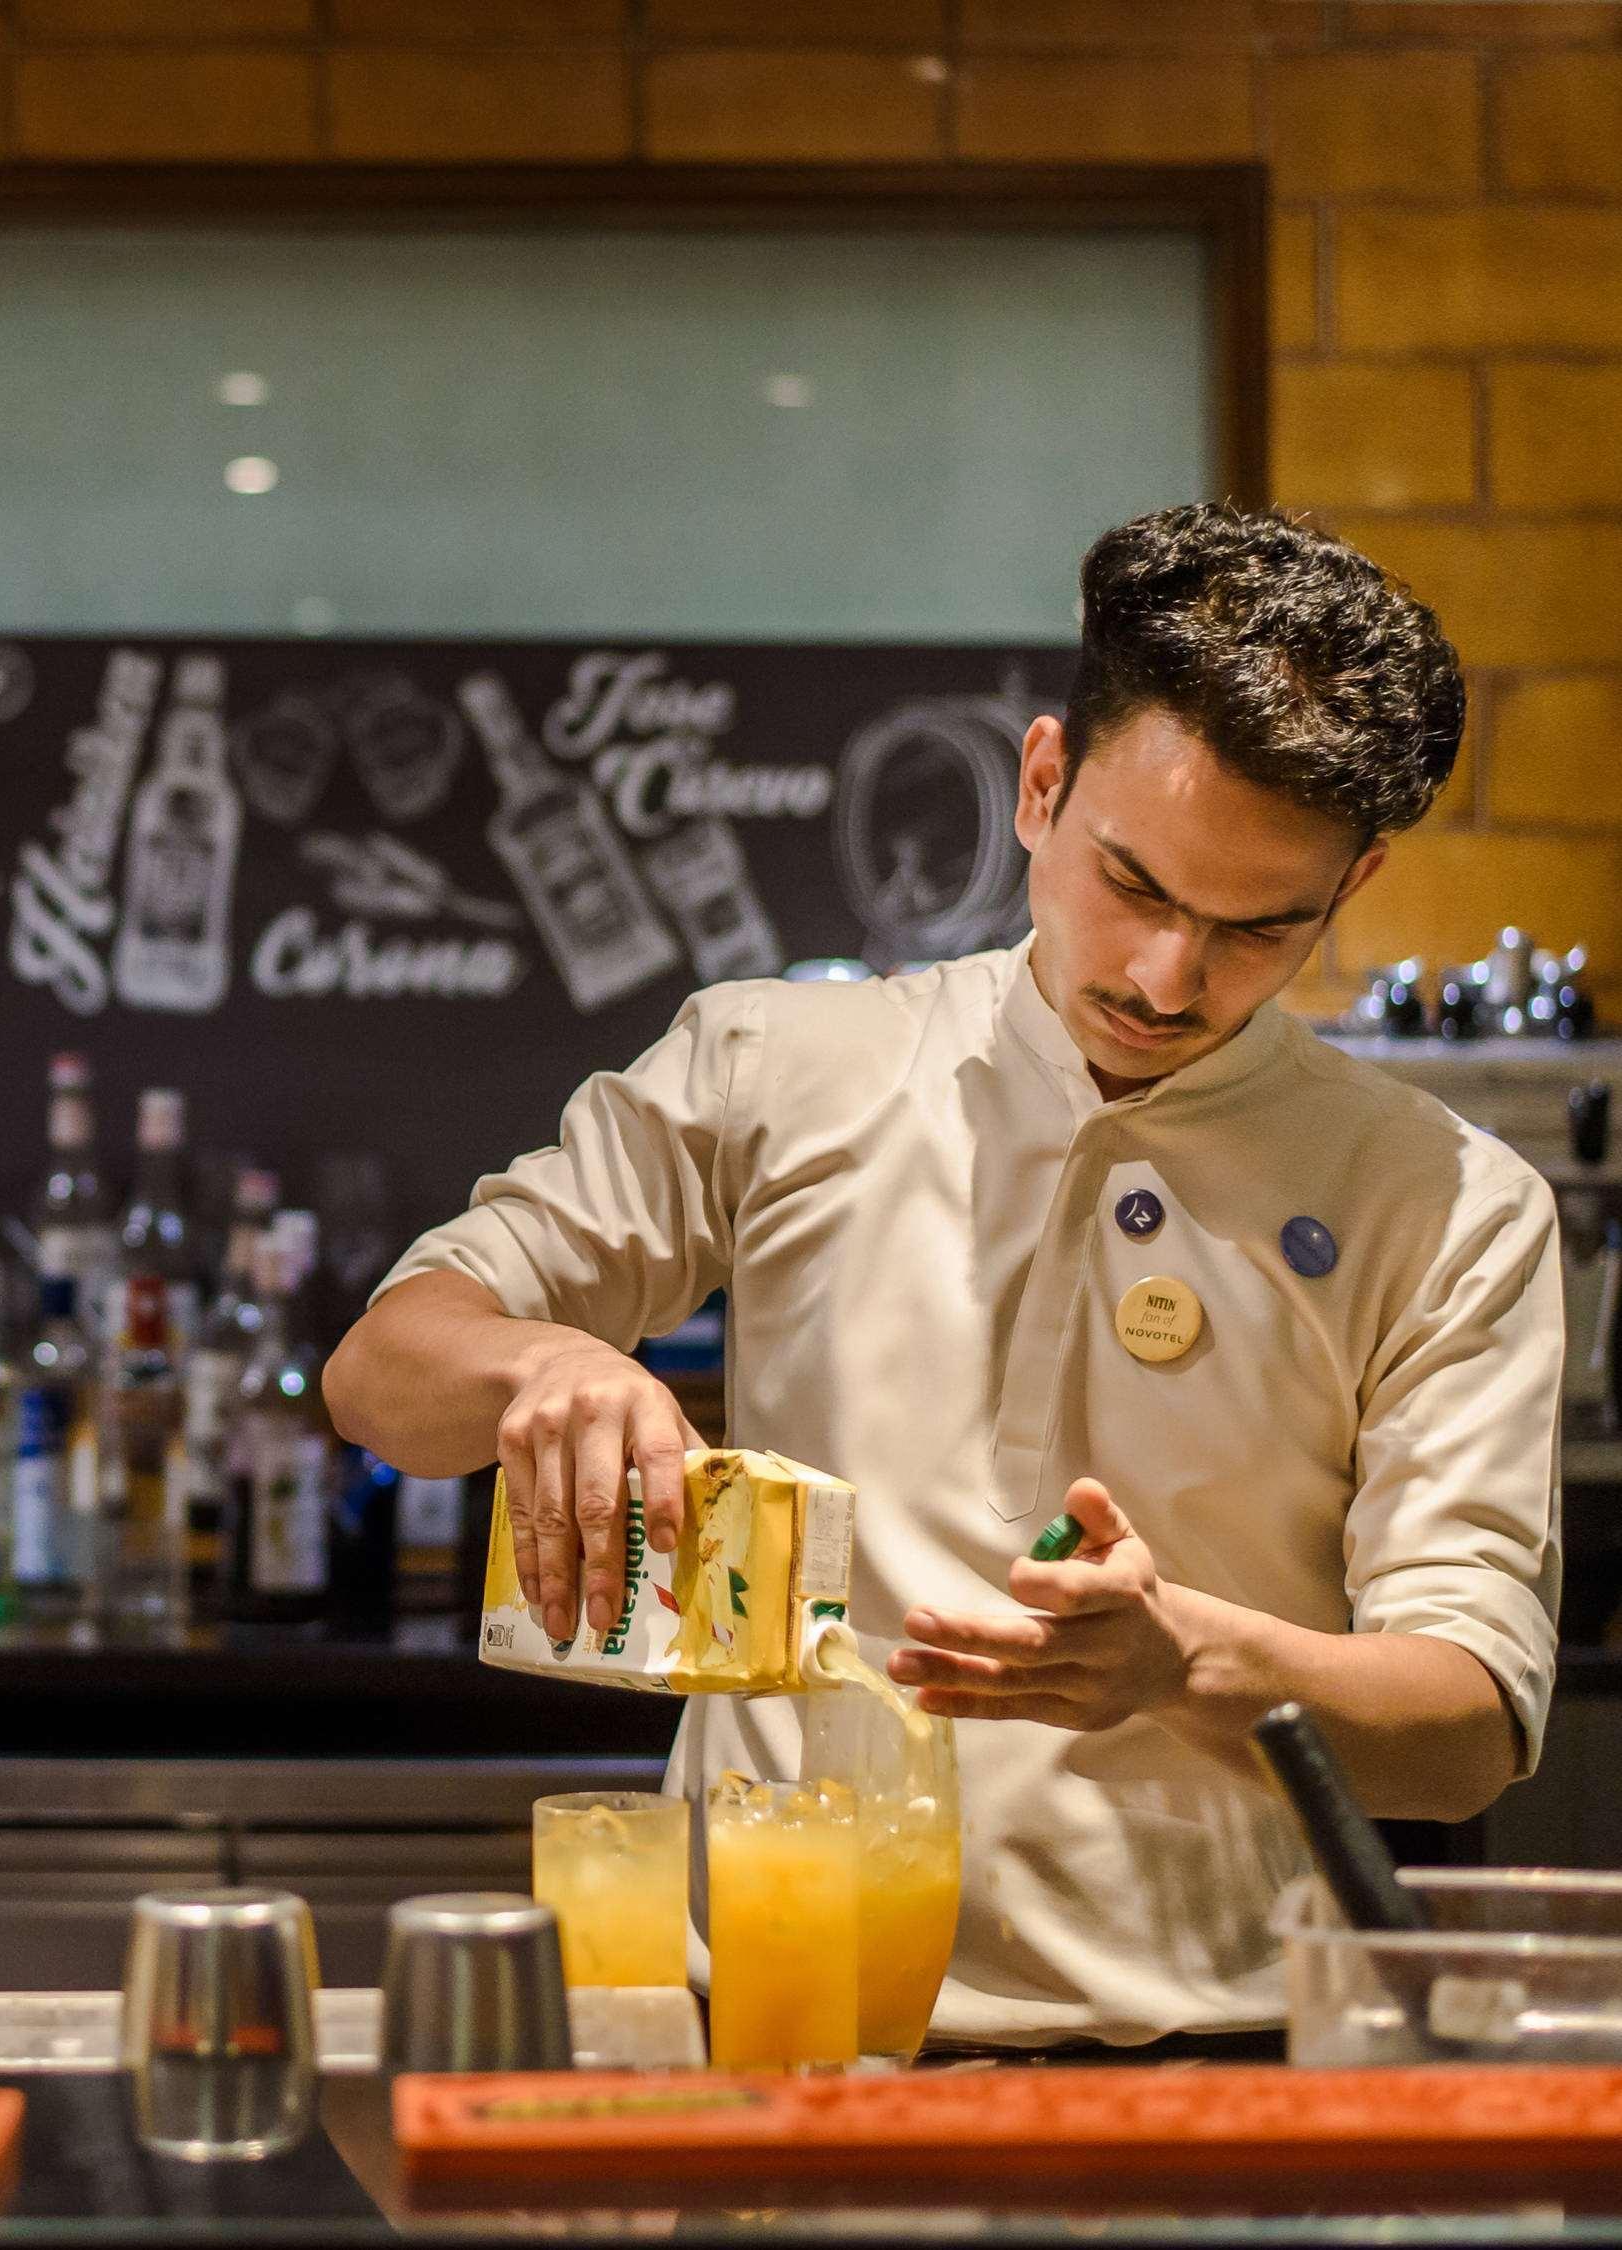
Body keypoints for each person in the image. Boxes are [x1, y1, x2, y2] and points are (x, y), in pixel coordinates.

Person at [325, 504, 1561, 2049]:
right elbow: (380, 1378)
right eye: (1138, 884)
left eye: (1260, 930)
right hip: (778, 2036)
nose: (1168, 976)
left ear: (1358, 879)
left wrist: (1183, 1661)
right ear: (1042, 783)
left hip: (1215, 2068)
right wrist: (544, 1365)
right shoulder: (783, 1067)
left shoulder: (1446, 1203)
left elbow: (1465, 1725)